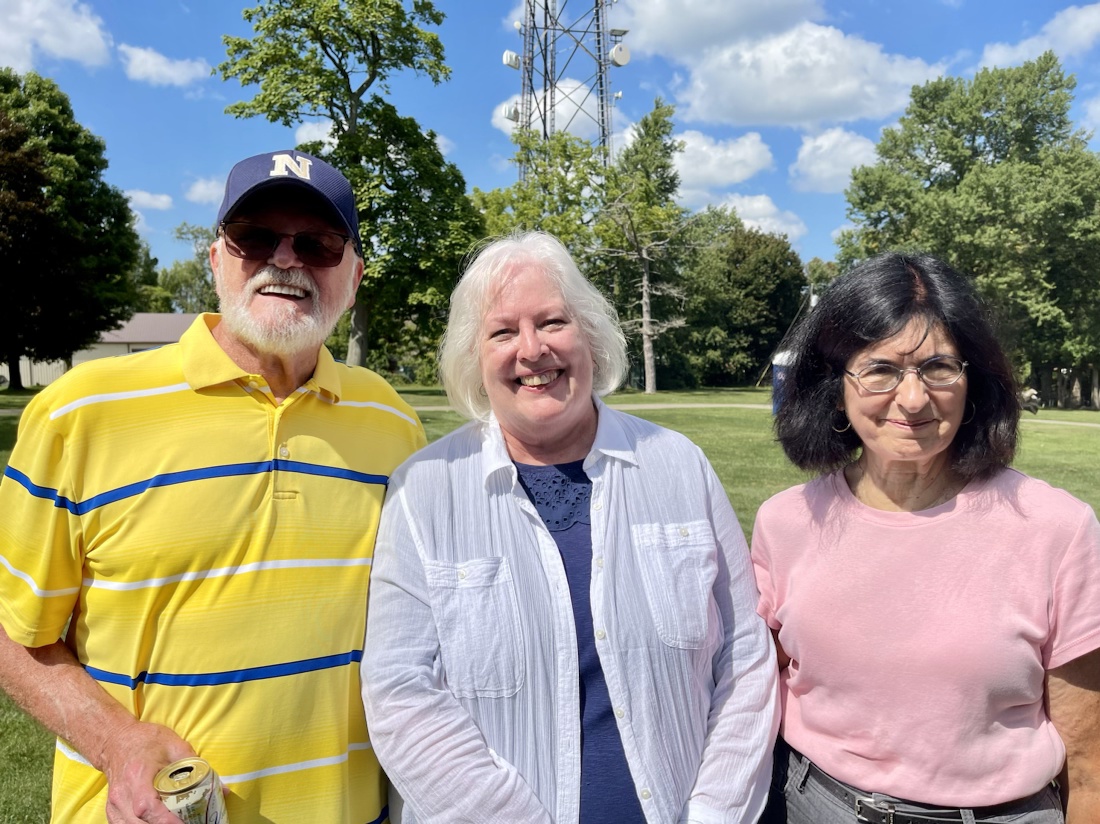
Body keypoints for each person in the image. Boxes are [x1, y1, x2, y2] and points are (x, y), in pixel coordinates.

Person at [0, 149, 426, 823]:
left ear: (354, 277)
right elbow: (14, 629)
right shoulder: (80, 412)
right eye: (255, 237)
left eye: (317, 244)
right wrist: (115, 743)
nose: (284, 260)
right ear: (216, 259)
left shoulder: (394, 425)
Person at [361, 230, 779, 824]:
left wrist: (714, 812)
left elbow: (745, 655)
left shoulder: (678, 464)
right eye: (503, 332)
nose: (532, 350)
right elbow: (399, 692)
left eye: (553, 322)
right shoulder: (424, 492)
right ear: (474, 359)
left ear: (590, 335)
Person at [752, 252, 1100, 824]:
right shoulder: (785, 522)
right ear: (835, 386)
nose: (913, 399)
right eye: (880, 369)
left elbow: (1089, 765)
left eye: (938, 367)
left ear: (972, 380)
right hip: (813, 804)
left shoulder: (1057, 529)